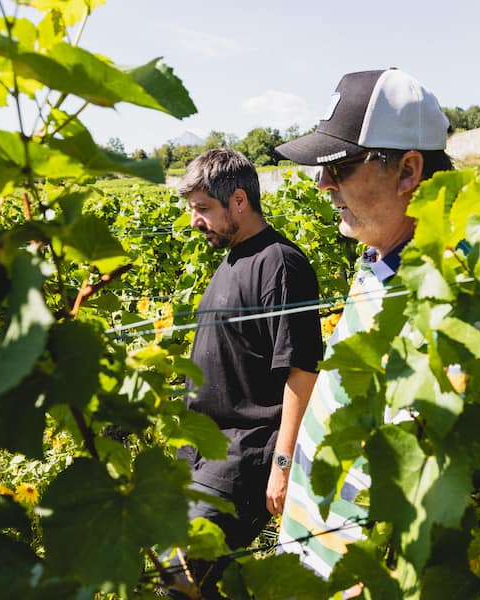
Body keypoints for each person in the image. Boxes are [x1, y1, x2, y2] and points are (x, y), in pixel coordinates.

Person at [273, 68, 454, 580]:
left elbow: (429, 478)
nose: (323, 184)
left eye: (339, 167)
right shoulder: (377, 262)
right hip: (315, 557)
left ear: (408, 171)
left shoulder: (449, 296)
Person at [170, 148, 323, 598]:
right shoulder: (232, 260)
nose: (194, 221)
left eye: (202, 208)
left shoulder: (281, 263)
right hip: (200, 456)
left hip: (242, 457)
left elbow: (301, 369)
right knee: (200, 584)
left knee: (179, 580)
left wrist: (283, 464)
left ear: (238, 200)